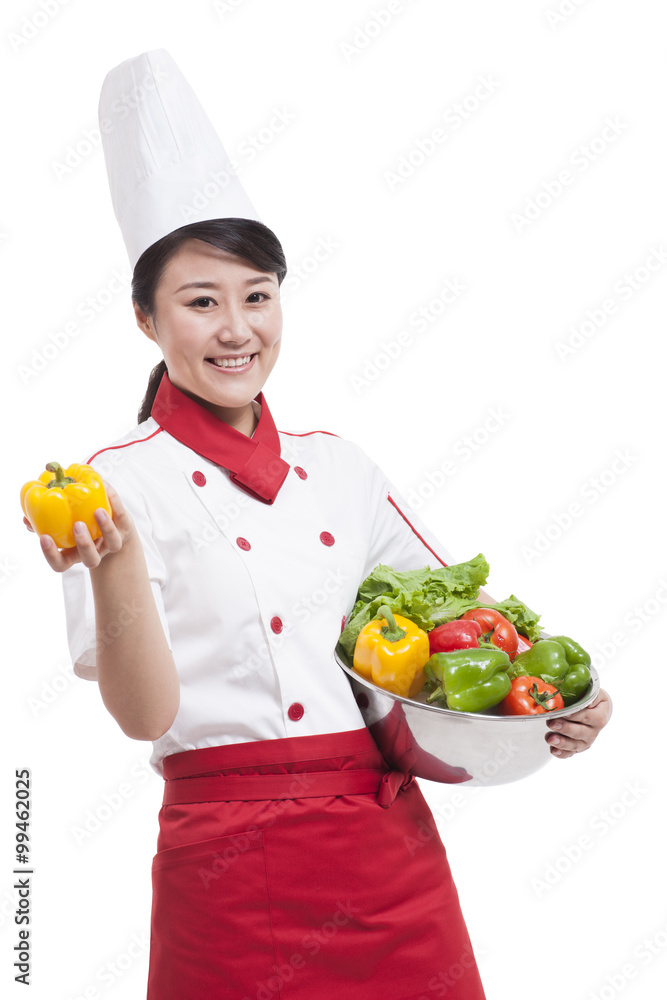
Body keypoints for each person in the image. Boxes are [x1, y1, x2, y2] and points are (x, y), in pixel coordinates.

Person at [25, 50, 612, 1000]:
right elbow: (146, 718)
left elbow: (476, 625)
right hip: (226, 868)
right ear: (144, 318)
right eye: (200, 301)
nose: (236, 329)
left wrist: (568, 699)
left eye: (257, 296)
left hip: (387, 856)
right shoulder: (106, 491)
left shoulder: (340, 468)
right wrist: (114, 564)